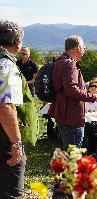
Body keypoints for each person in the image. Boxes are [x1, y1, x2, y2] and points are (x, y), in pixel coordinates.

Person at [48, 35, 97, 151]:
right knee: (73, 153)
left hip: (63, 113)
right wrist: (93, 97)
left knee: (68, 151)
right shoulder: (69, 64)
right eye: (84, 47)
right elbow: (71, 90)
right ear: (79, 48)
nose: (84, 50)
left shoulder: (60, 61)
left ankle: (66, 169)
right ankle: (69, 169)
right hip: (71, 115)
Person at [0, 20, 27, 199]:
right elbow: (5, 106)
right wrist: (16, 144)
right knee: (10, 192)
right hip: (4, 140)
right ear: (17, 43)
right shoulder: (7, 65)